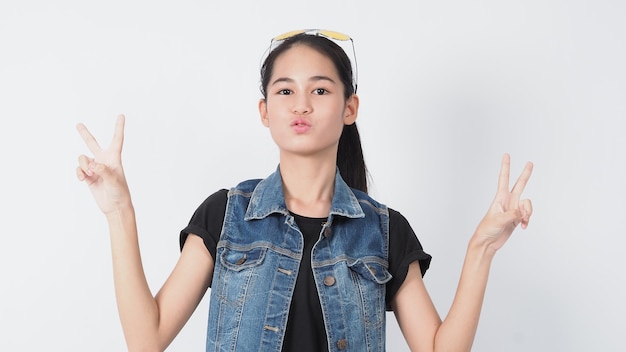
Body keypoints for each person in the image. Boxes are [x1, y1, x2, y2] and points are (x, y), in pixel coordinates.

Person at [76, 29, 533, 352]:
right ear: (264, 110)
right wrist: (119, 212)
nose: (300, 105)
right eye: (284, 91)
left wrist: (482, 249)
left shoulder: (384, 231)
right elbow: (146, 339)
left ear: (349, 107)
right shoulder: (226, 216)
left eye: (320, 90)